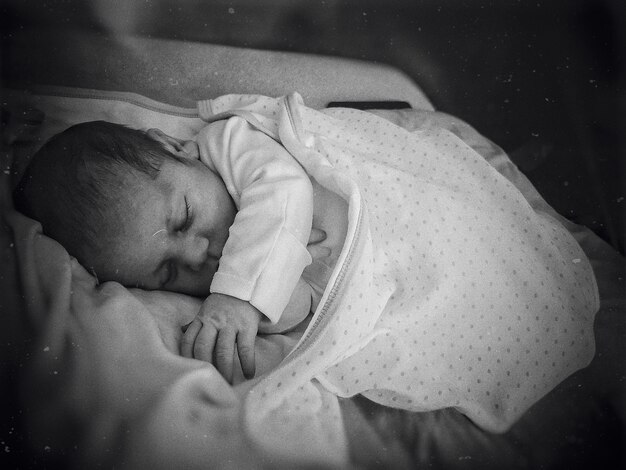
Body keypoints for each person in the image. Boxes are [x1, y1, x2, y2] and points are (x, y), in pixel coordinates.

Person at [13, 118, 347, 383]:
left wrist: (240, 297)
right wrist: (271, 292)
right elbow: (299, 307)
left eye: (185, 219)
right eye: (169, 272)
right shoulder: (217, 299)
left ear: (172, 146)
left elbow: (283, 186)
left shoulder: (229, 143)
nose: (196, 255)